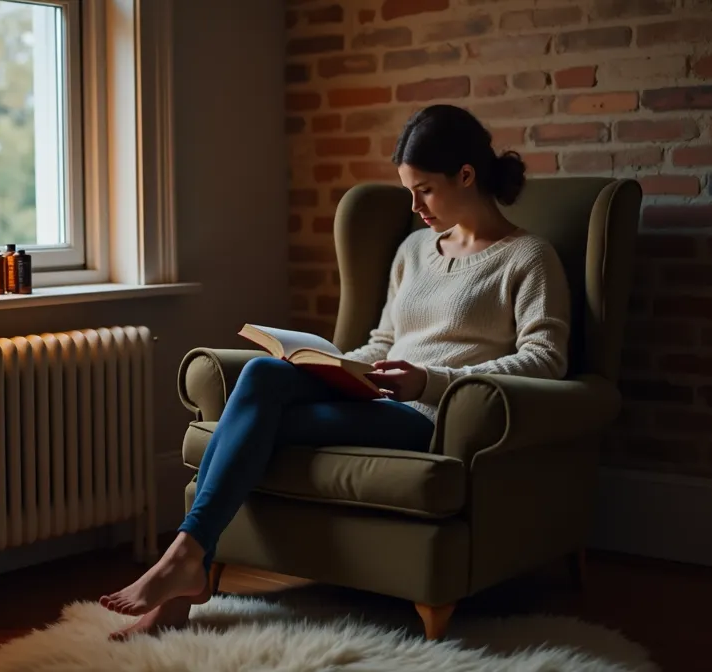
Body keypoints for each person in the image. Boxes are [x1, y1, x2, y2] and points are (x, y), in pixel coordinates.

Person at [99, 103, 573, 640]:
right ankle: (187, 569)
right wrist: (338, 366)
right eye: (408, 191)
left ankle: (185, 566)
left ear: (466, 174)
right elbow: (383, 341)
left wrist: (431, 381)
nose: (414, 206)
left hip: (430, 415)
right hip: (377, 399)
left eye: (425, 190)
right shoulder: (414, 249)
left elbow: (545, 360)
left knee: (252, 423)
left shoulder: (528, 258)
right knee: (261, 375)